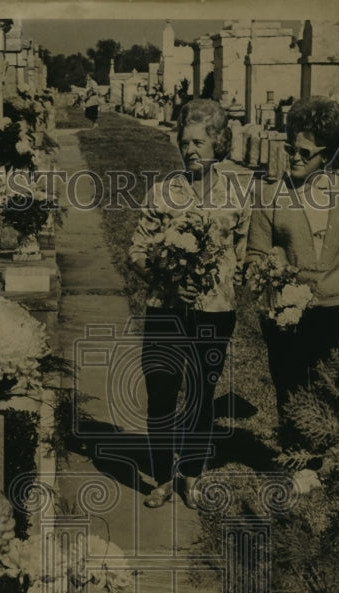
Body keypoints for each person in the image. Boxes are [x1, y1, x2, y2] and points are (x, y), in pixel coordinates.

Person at [128, 99, 250, 509]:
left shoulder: (236, 195)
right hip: (165, 309)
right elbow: (137, 251)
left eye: (199, 142)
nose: (191, 150)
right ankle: (161, 476)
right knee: (161, 393)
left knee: (201, 393)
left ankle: (192, 475)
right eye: (185, 142)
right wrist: (167, 280)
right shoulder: (163, 192)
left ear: (219, 143)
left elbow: (244, 250)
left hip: (215, 312)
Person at [245, 95, 339, 446]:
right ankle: (296, 453)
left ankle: (321, 453)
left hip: (330, 309)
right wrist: (271, 282)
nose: (295, 158)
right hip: (286, 314)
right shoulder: (270, 196)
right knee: (290, 382)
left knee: (328, 382)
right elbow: (254, 254)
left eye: (305, 153)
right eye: (290, 149)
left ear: (326, 155)